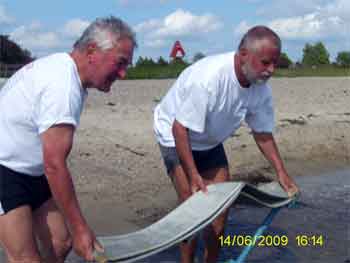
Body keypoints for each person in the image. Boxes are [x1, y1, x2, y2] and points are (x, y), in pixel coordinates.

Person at [153, 25, 299, 263]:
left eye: (275, 64)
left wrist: (281, 172)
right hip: (175, 135)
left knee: (220, 214)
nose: (271, 70)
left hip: (210, 140)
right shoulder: (209, 79)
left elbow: (262, 133)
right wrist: (192, 175)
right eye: (264, 62)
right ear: (243, 54)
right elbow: (179, 129)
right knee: (192, 213)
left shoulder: (260, 88)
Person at [0, 16, 136, 262]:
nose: (123, 73)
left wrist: (75, 231)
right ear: (92, 51)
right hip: (4, 170)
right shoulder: (62, 84)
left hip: (32, 169)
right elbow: (55, 165)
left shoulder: (67, 72)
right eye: (120, 63)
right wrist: (81, 228)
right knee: (25, 258)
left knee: (60, 243)